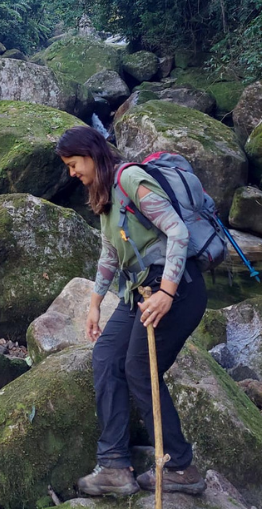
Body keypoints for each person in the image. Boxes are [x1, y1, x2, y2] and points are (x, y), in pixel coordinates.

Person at [55, 126, 207, 497]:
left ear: (91, 154)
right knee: (107, 356)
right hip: (139, 289)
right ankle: (114, 467)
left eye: (74, 164)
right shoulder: (105, 194)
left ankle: (181, 467)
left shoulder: (131, 179)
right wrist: (94, 303)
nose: (72, 173)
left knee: (139, 367)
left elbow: (177, 232)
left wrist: (167, 292)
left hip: (177, 287)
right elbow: (111, 253)